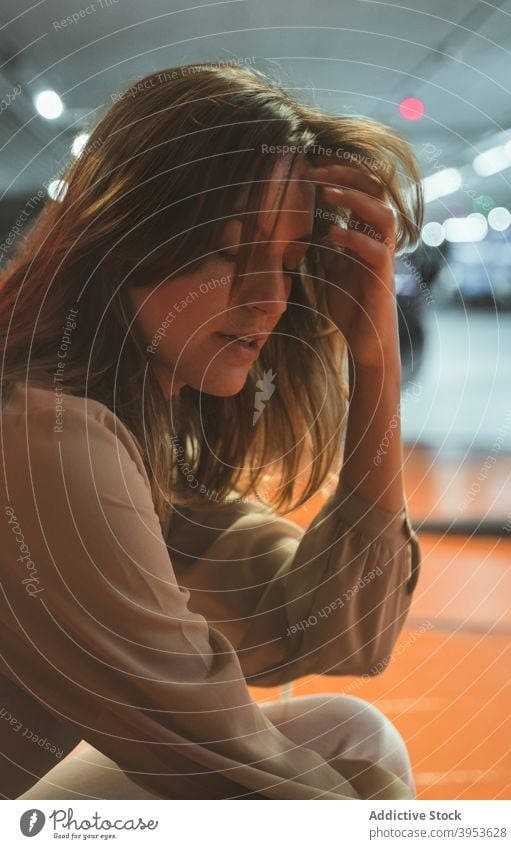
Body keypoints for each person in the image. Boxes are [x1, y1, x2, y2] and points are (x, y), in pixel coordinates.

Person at [0, 61, 422, 800]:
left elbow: (329, 627)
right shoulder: (49, 441)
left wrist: (376, 361)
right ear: (128, 230)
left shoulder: (135, 424)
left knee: (353, 733)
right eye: (231, 248)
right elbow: (221, 766)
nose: (268, 298)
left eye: (289, 262)